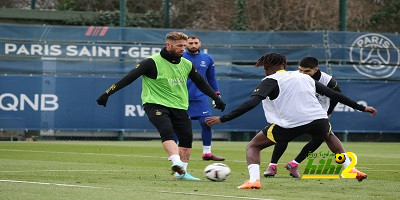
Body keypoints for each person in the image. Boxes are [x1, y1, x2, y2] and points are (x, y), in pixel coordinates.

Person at [205, 53, 377, 189]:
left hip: (290, 124)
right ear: (284, 65)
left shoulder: (269, 80)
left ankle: (254, 181)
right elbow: (334, 95)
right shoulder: (305, 77)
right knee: (328, 135)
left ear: (266, 67)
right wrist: (361, 108)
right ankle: (350, 168)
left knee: (253, 146)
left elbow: (252, 103)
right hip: (318, 119)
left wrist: (223, 118)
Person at [96, 32, 226, 181]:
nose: (183, 49)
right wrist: (107, 94)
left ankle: (181, 173)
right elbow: (128, 79)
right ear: (168, 45)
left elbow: (201, 83)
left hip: (179, 105)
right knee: (167, 132)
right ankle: (176, 163)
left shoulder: (186, 64)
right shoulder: (151, 62)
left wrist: (216, 98)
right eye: (179, 46)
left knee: (186, 140)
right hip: (155, 104)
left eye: (184, 45)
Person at [263, 56, 360, 179]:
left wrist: (329, 111)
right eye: (301, 70)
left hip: (317, 114)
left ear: (315, 70)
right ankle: (274, 165)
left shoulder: (327, 81)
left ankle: (293, 163)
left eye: (307, 71)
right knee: (283, 135)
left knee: (322, 137)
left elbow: (337, 95)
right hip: (297, 113)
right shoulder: (295, 76)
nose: (303, 73)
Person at [181, 35, 225, 161]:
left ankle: (207, 153)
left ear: (200, 44)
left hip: (200, 97)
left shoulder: (207, 58)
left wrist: (216, 94)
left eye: (195, 43)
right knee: (180, 125)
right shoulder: (180, 57)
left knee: (206, 122)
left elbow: (211, 77)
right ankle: (175, 153)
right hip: (181, 97)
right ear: (186, 44)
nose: (193, 45)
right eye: (190, 43)